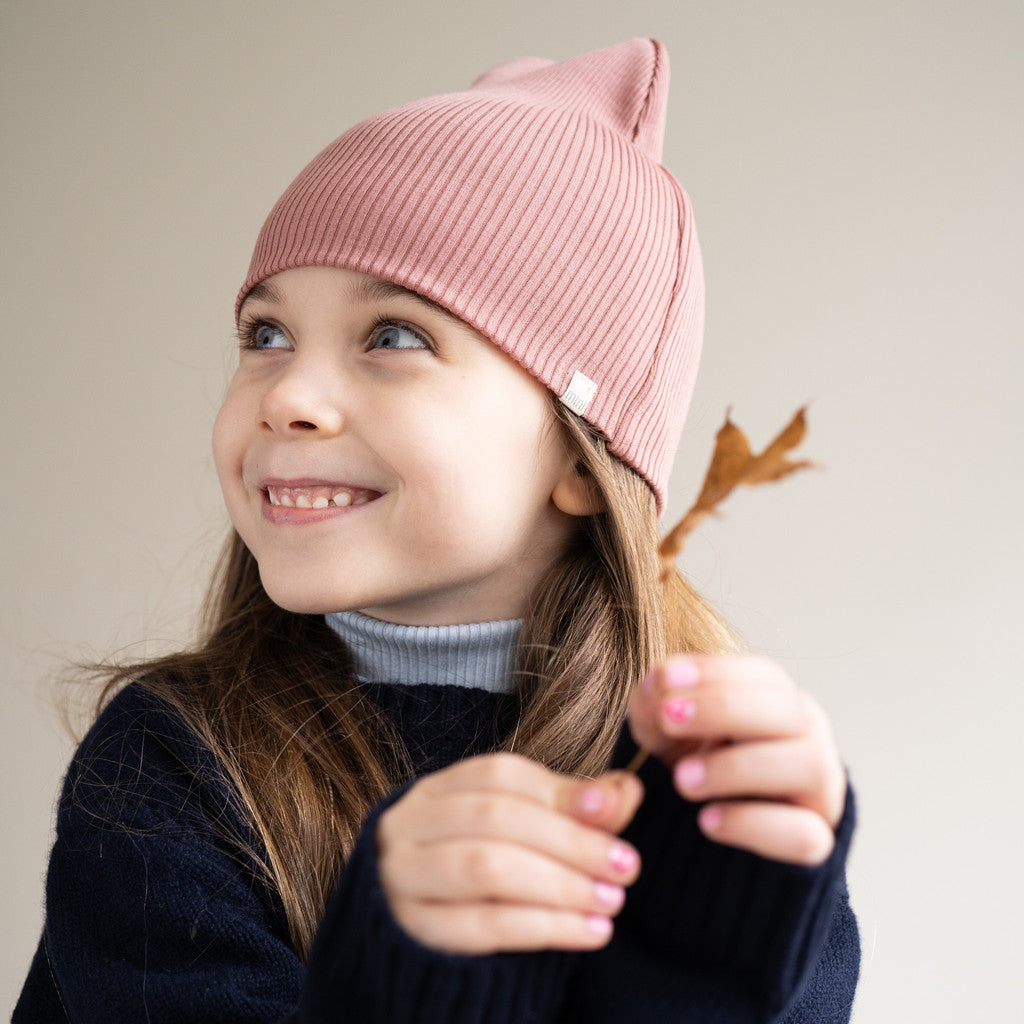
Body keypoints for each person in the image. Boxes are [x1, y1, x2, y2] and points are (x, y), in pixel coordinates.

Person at [15, 38, 859, 1023]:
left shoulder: (702, 789)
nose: (286, 394)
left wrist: (732, 943)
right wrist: (401, 982)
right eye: (266, 335)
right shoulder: (169, 764)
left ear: (581, 461)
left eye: (393, 337)